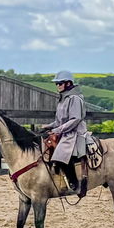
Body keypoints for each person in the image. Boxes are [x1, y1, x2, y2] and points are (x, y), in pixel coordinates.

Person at [40, 70, 92, 198]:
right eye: (56, 84)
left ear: (68, 83)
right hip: (65, 131)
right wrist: (49, 126)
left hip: (74, 132)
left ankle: (74, 183)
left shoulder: (74, 98)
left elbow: (75, 119)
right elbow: (59, 121)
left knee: (61, 153)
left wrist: (57, 130)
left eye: (60, 83)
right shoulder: (63, 99)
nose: (57, 86)